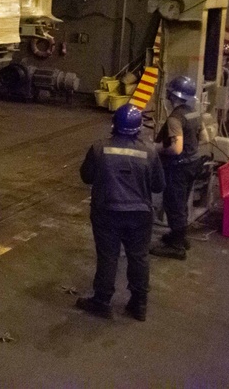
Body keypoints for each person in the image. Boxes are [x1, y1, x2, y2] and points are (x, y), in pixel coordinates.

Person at [75, 104, 165, 320]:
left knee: (108, 257)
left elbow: (86, 177)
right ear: (139, 128)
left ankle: (102, 301)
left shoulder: (99, 149)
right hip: (140, 214)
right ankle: (139, 304)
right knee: (139, 257)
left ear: (114, 124)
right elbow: (158, 186)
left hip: (107, 212)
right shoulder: (150, 152)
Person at [150, 75, 204, 260]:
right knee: (182, 203)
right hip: (194, 164)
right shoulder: (194, 112)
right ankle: (178, 236)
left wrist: (155, 147)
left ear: (173, 95)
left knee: (174, 204)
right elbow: (203, 137)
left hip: (179, 168)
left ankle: (177, 247)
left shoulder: (175, 118)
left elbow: (176, 148)